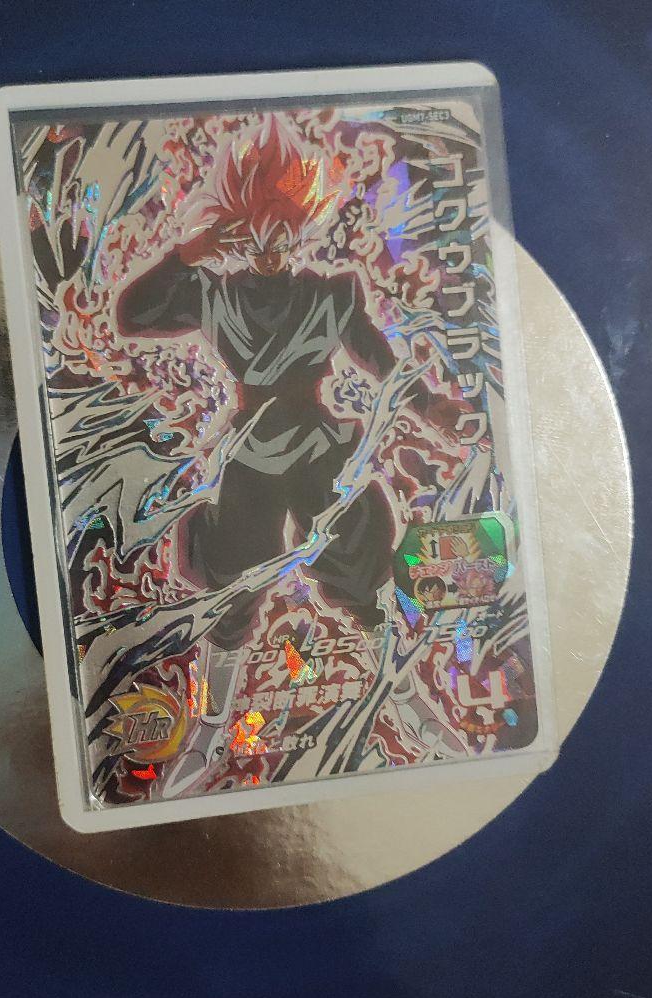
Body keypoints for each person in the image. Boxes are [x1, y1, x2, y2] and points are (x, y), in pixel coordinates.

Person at [114, 118, 426, 649]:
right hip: (251, 448)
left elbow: (383, 363)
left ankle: (384, 647)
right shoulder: (215, 295)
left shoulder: (329, 295)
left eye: (281, 237)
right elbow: (130, 316)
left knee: (352, 551)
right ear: (237, 233)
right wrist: (187, 255)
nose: (270, 252)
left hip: (316, 443)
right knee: (235, 570)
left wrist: (431, 406)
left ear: (301, 227)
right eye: (256, 238)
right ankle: (219, 675)